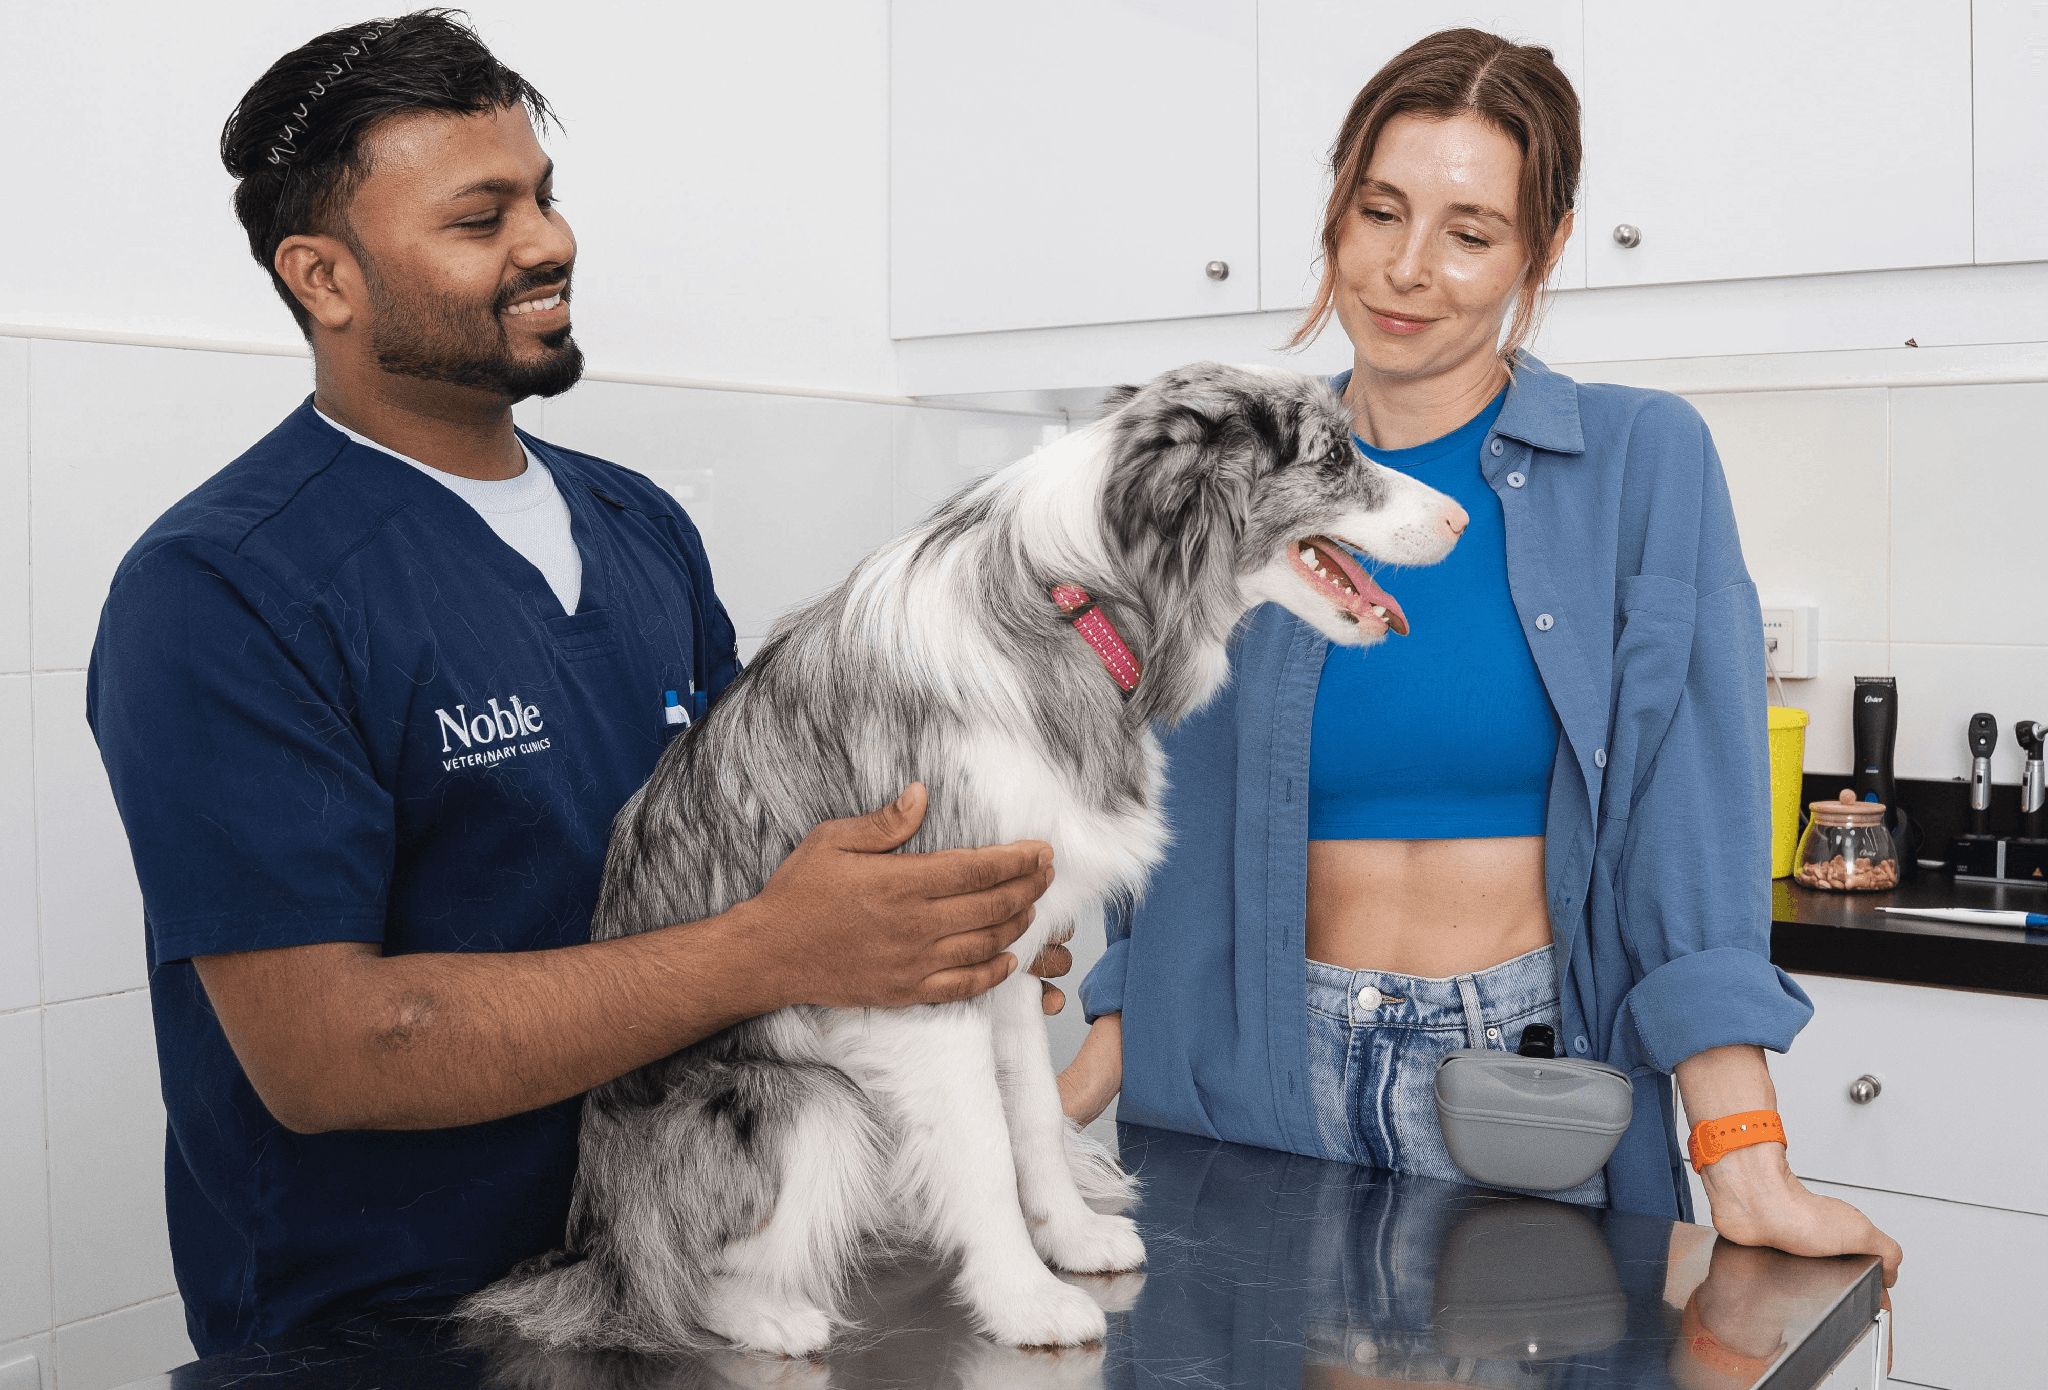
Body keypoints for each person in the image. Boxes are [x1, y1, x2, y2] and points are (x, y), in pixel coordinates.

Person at [89, 12, 1068, 1357]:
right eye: (480, 217)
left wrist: (934, 928)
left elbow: (766, 862)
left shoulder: (639, 529)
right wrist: (783, 945)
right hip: (397, 1336)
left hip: (700, 1280)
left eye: (543, 196)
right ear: (325, 277)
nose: (548, 241)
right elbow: (330, 1052)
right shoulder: (224, 589)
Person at [1059, 27, 1901, 1282]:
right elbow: (1149, 802)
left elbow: (1688, 825)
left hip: (1520, 1088)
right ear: (1334, 210)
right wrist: (1089, 1065)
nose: (1406, 268)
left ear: (1538, 251)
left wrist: (1743, 1156)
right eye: (1378, 211)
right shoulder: (1219, 474)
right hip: (1236, 1076)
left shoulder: (1640, 461)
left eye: (1468, 232)